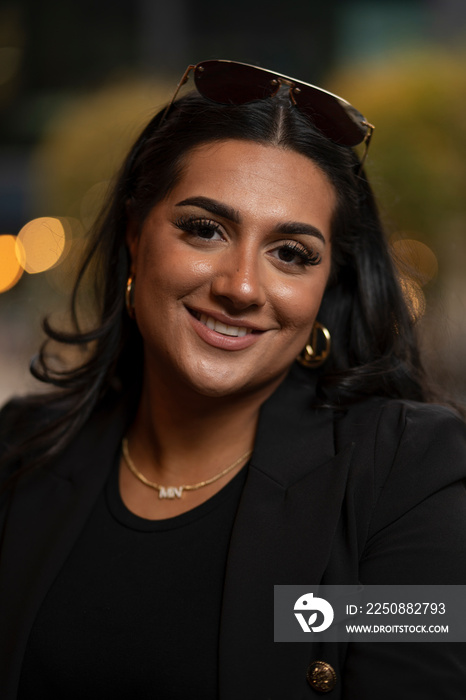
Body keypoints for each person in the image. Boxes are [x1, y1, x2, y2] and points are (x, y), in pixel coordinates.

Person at [1, 59, 465, 699]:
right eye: (205, 229)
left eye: (291, 254)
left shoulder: (407, 471)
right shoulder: (19, 452)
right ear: (136, 237)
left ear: (326, 286)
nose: (241, 286)